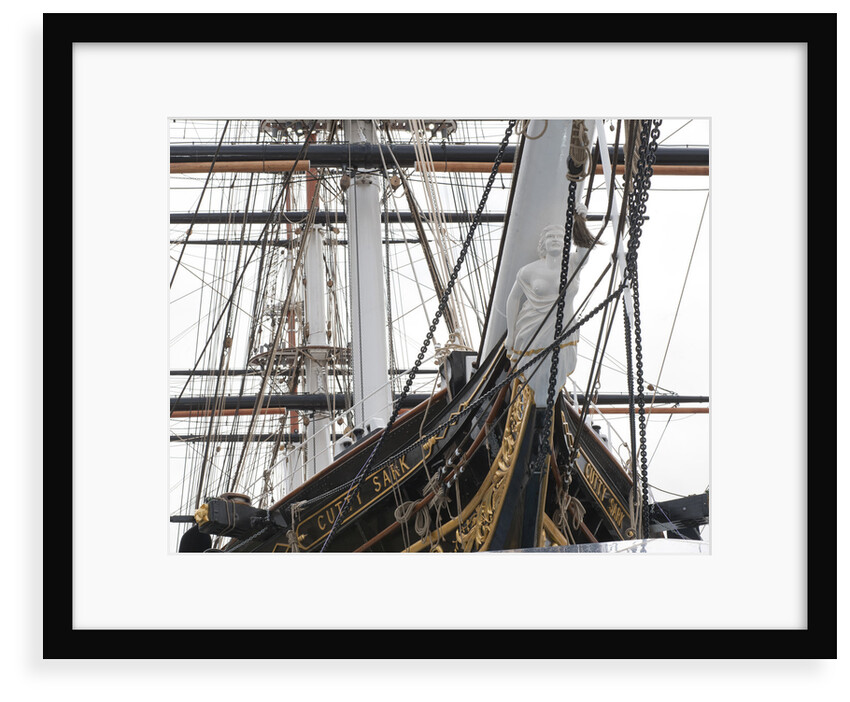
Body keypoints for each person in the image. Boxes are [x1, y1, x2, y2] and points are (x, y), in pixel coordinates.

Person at [505, 220, 592, 406]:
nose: (554, 240)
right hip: (532, 329)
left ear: (565, 242)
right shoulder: (528, 271)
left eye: (559, 237)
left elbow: (585, 248)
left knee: (555, 372)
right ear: (543, 243)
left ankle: (543, 406)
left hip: (564, 328)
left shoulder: (573, 264)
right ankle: (539, 405)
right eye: (550, 237)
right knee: (536, 372)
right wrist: (510, 336)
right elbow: (513, 299)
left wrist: (580, 221)